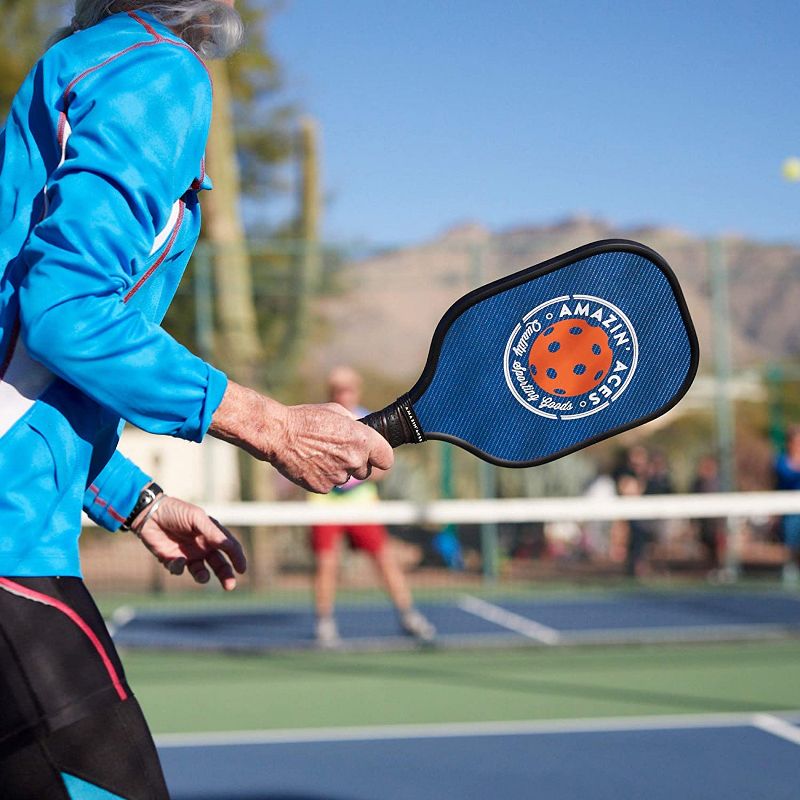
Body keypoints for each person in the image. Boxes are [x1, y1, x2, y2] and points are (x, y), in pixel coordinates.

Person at [0, 4, 393, 798]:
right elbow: (65, 312)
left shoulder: (78, 69)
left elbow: (18, 372)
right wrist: (270, 424)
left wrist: (138, 502)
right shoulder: (157, 68)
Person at [308, 366, 436, 647]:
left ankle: (408, 616)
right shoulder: (316, 419)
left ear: (357, 390)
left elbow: (382, 466)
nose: (344, 394)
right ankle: (324, 623)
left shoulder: (371, 421)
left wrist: (356, 473)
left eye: (348, 389)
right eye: (338, 390)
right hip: (325, 505)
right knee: (326, 565)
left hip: (362, 506)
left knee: (384, 560)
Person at [774, 425, 800, 586]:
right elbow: (788, 476)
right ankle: (791, 568)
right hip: (790, 510)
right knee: (791, 540)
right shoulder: (782, 461)